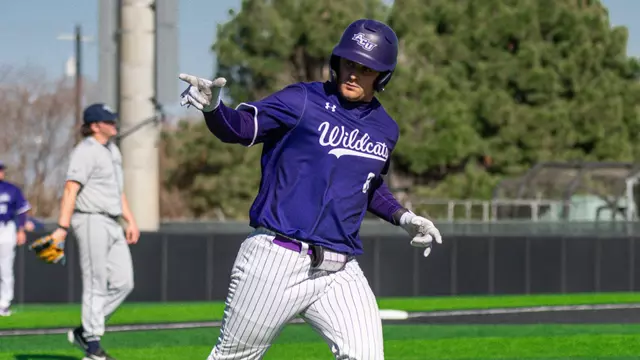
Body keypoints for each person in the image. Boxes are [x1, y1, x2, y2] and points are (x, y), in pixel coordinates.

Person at [179, 18, 443, 360]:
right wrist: (215, 110)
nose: (354, 73)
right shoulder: (302, 100)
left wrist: (404, 218)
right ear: (337, 62)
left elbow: (368, 184)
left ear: (382, 76)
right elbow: (242, 128)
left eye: (366, 69)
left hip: (340, 268)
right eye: (350, 63)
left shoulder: (385, 129)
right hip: (278, 258)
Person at [50, 103, 139, 360]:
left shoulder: (112, 150)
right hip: (90, 219)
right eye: (108, 121)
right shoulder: (85, 151)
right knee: (95, 283)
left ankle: (84, 331)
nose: (114, 124)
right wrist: (61, 228)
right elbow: (70, 189)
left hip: (112, 221)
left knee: (124, 282)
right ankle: (92, 348)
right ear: (94, 125)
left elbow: (117, 190)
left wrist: (130, 220)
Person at [0, 161, 31, 316]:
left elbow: (22, 211)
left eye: (1, 170)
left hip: (6, 229)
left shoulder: (12, 189)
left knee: (5, 269)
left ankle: (4, 303)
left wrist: (21, 230)